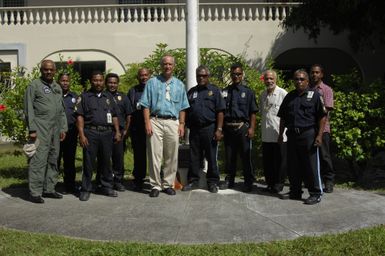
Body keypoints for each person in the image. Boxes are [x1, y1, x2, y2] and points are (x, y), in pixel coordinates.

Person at [139, 54, 189, 198]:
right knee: (155, 154)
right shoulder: (152, 83)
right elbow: (145, 105)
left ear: (173, 66)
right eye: (165, 64)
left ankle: (168, 184)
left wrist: (181, 124)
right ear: (161, 66)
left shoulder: (179, 84)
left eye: (170, 64)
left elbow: (183, 107)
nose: (167, 66)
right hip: (155, 121)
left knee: (171, 155)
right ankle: (155, 185)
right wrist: (147, 122)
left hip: (173, 122)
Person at [277, 69, 327, 205]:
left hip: (308, 134)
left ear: (307, 81)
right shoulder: (290, 96)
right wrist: (281, 134)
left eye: (301, 79)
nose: (298, 81)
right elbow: (282, 117)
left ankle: (316, 193)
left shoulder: (315, 95)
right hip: (292, 134)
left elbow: (322, 117)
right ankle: (295, 191)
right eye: (296, 79)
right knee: (293, 165)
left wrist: (319, 135)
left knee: (310, 165)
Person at [24, 59, 67, 203]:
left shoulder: (57, 87)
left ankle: (49, 189)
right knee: (38, 160)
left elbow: (61, 110)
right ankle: (35, 192)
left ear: (55, 71)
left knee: (53, 159)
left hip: (55, 129)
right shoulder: (34, 85)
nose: (48, 72)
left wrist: (63, 128)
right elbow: (28, 108)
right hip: (40, 128)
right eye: (45, 69)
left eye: (51, 70)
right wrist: (32, 129)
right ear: (41, 70)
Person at [75, 71, 121, 201]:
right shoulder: (84, 97)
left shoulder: (109, 97)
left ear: (103, 81)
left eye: (100, 80)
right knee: (88, 162)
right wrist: (82, 134)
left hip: (107, 133)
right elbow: (80, 117)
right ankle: (86, 189)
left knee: (106, 161)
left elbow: (115, 115)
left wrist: (117, 131)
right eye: (95, 80)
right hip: (91, 133)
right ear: (91, 81)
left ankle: (106, 186)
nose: (98, 83)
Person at [183, 65, 225, 193]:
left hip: (210, 128)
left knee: (211, 157)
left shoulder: (215, 91)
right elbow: (185, 110)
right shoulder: (191, 92)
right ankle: (193, 181)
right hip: (195, 130)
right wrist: (184, 127)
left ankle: (212, 182)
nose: (201, 78)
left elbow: (220, 111)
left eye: (204, 76)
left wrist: (219, 129)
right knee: (194, 156)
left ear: (208, 76)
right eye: (199, 76)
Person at [220, 62, 257, 192]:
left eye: (238, 74)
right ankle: (230, 180)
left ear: (242, 75)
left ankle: (248, 181)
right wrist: (221, 129)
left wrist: (252, 128)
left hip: (242, 128)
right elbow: (221, 112)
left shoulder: (248, 92)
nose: (236, 76)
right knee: (230, 157)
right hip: (228, 127)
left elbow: (253, 112)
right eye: (234, 74)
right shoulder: (224, 91)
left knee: (245, 156)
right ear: (230, 74)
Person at [259, 70, 287, 193]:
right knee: (268, 161)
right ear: (264, 80)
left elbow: (286, 115)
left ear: (276, 79)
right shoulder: (262, 95)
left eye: (271, 78)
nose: (269, 81)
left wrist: (282, 133)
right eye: (267, 79)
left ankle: (279, 183)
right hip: (266, 134)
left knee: (280, 161)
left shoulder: (282, 94)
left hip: (279, 134)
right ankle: (270, 183)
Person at [310, 64, 335, 193]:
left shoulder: (326, 90)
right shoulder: (308, 89)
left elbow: (327, 109)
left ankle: (329, 181)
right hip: (309, 129)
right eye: (312, 72)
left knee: (325, 157)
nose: (314, 74)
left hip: (323, 129)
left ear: (322, 74)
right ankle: (315, 181)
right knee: (312, 157)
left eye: (317, 72)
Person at [105, 73, 131, 192]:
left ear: (118, 84)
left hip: (119, 132)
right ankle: (105, 181)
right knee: (104, 158)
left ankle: (118, 181)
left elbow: (129, 115)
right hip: (105, 131)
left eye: (115, 83)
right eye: (110, 82)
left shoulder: (123, 97)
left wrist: (125, 130)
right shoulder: (102, 96)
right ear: (106, 83)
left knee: (118, 157)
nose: (112, 85)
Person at [127, 68, 151, 191]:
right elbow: (129, 110)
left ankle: (155, 179)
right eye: (141, 75)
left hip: (153, 127)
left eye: (146, 75)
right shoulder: (133, 91)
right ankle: (138, 179)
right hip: (137, 128)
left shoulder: (155, 89)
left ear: (150, 76)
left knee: (155, 155)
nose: (144, 77)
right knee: (139, 155)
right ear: (138, 77)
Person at [57, 73, 78, 195]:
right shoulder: (55, 95)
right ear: (58, 81)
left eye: (67, 81)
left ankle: (69, 185)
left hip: (71, 133)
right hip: (56, 133)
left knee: (69, 161)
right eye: (62, 80)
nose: (65, 83)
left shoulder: (75, 96)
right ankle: (51, 185)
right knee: (55, 160)